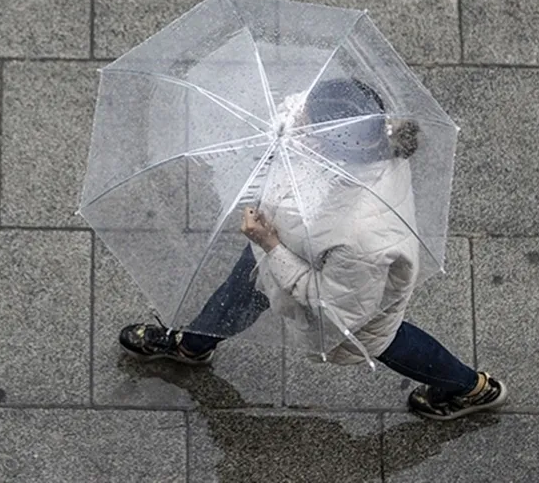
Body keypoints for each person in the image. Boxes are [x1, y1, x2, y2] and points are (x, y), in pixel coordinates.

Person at [119, 77, 507, 421]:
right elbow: (298, 156)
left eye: (308, 119)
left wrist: (270, 244)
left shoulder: (362, 236)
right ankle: (193, 344)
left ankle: (469, 388)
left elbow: (331, 304)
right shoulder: (360, 135)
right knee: (239, 292)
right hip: (287, 248)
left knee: (385, 340)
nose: (299, 117)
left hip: (336, 285)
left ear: (333, 139)